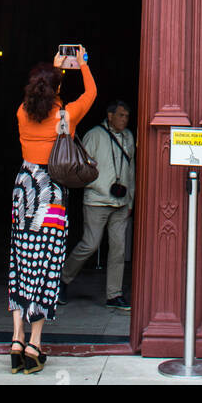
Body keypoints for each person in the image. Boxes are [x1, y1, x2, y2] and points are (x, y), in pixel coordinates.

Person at [9, 47, 96, 373]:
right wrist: (80, 64)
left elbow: (40, 95)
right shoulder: (66, 116)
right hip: (50, 191)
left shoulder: (21, 113)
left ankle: (16, 339)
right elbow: (92, 93)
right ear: (57, 89)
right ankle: (34, 344)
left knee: (21, 261)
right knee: (46, 264)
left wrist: (53, 73)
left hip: (23, 188)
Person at [60, 99, 135, 310]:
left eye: (127, 116)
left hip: (121, 202)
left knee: (118, 249)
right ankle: (63, 279)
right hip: (96, 201)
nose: (125, 119)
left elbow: (131, 170)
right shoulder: (94, 135)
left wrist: (131, 198)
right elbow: (82, 165)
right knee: (90, 244)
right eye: (121, 115)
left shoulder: (129, 137)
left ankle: (114, 294)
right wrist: (94, 186)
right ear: (110, 116)